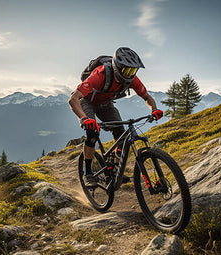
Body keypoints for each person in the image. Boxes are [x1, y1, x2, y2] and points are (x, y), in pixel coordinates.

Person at [68, 47, 163, 187]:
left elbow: (147, 97)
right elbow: (73, 99)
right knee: (92, 133)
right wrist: (84, 118)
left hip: (106, 104)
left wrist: (154, 109)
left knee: (122, 136)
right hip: (87, 101)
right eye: (127, 70)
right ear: (117, 67)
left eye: (133, 70)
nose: (130, 74)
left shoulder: (132, 80)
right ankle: (87, 173)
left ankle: (114, 168)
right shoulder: (99, 75)